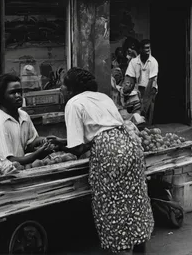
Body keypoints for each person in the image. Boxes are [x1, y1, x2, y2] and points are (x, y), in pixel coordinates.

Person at [51, 68, 154, 254]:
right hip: (129, 144)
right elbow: (103, 131)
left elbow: (78, 148)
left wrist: (60, 147)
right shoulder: (103, 97)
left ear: (72, 88)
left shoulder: (73, 104)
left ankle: (119, 248)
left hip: (109, 153)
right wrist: (63, 142)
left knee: (112, 205)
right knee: (134, 200)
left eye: (63, 84)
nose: (60, 88)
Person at [0, 73, 54, 170]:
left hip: (22, 171)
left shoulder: (24, 116)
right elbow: (11, 161)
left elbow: (29, 144)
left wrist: (42, 141)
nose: (18, 96)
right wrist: (39, 153)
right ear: (0, 97)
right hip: (3, 175)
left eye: (19, 92)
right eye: (12, 93)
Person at [126, 39, 158, 125]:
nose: (148, 50)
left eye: (149, 48)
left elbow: (151, 81)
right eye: (146, 48)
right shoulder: (134, 62)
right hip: (137, 90)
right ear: (140, 49)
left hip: (150, 90)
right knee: (136, 117)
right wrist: (126, 91)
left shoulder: (153, 62)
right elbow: (130, 78)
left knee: (146, 115)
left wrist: (144, 102)